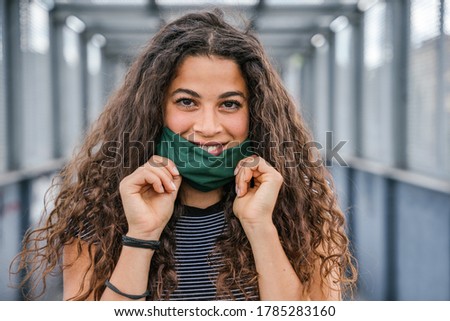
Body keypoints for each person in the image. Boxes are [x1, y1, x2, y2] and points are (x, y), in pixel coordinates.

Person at [13, 8, 357, 301]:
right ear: (155, 109)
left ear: (256, 113)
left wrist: (260, 225)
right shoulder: (97, 214)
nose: (208, 126)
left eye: (230, 104)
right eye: (186, 102)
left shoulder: (302, 212)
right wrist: (142, 234)